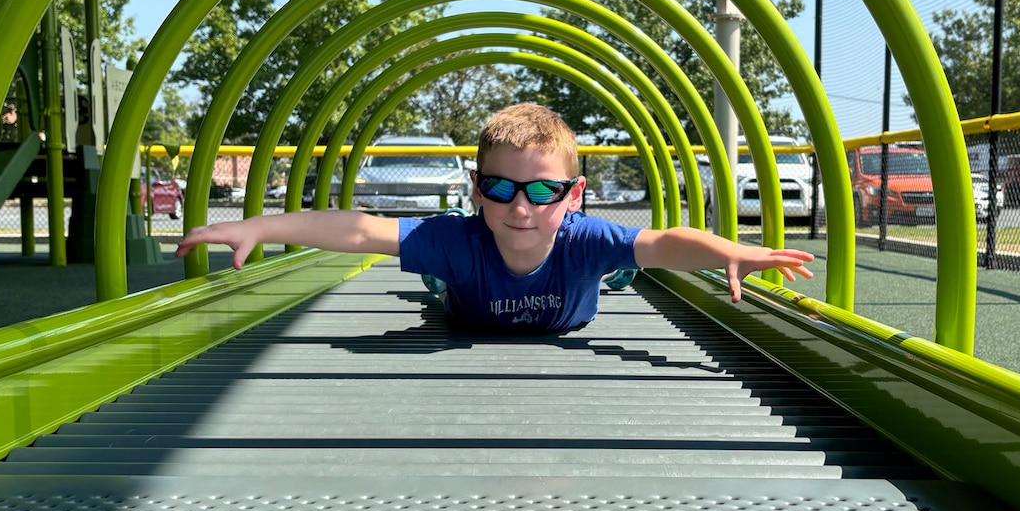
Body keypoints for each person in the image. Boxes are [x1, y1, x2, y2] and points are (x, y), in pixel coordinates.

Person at [175, 103, 813, 334]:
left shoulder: (583, 236)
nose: (521, 207)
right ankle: (435, 271)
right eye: (501, 187)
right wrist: (261, 225)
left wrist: (728, 250)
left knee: (623, 266)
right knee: (432, 269)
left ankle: (605, 273)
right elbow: (360, 228)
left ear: (574, 194)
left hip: (577, 283)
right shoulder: (463, 236)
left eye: (543, 190)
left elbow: (663, 241)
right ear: (479, 187)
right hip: (464, 275)